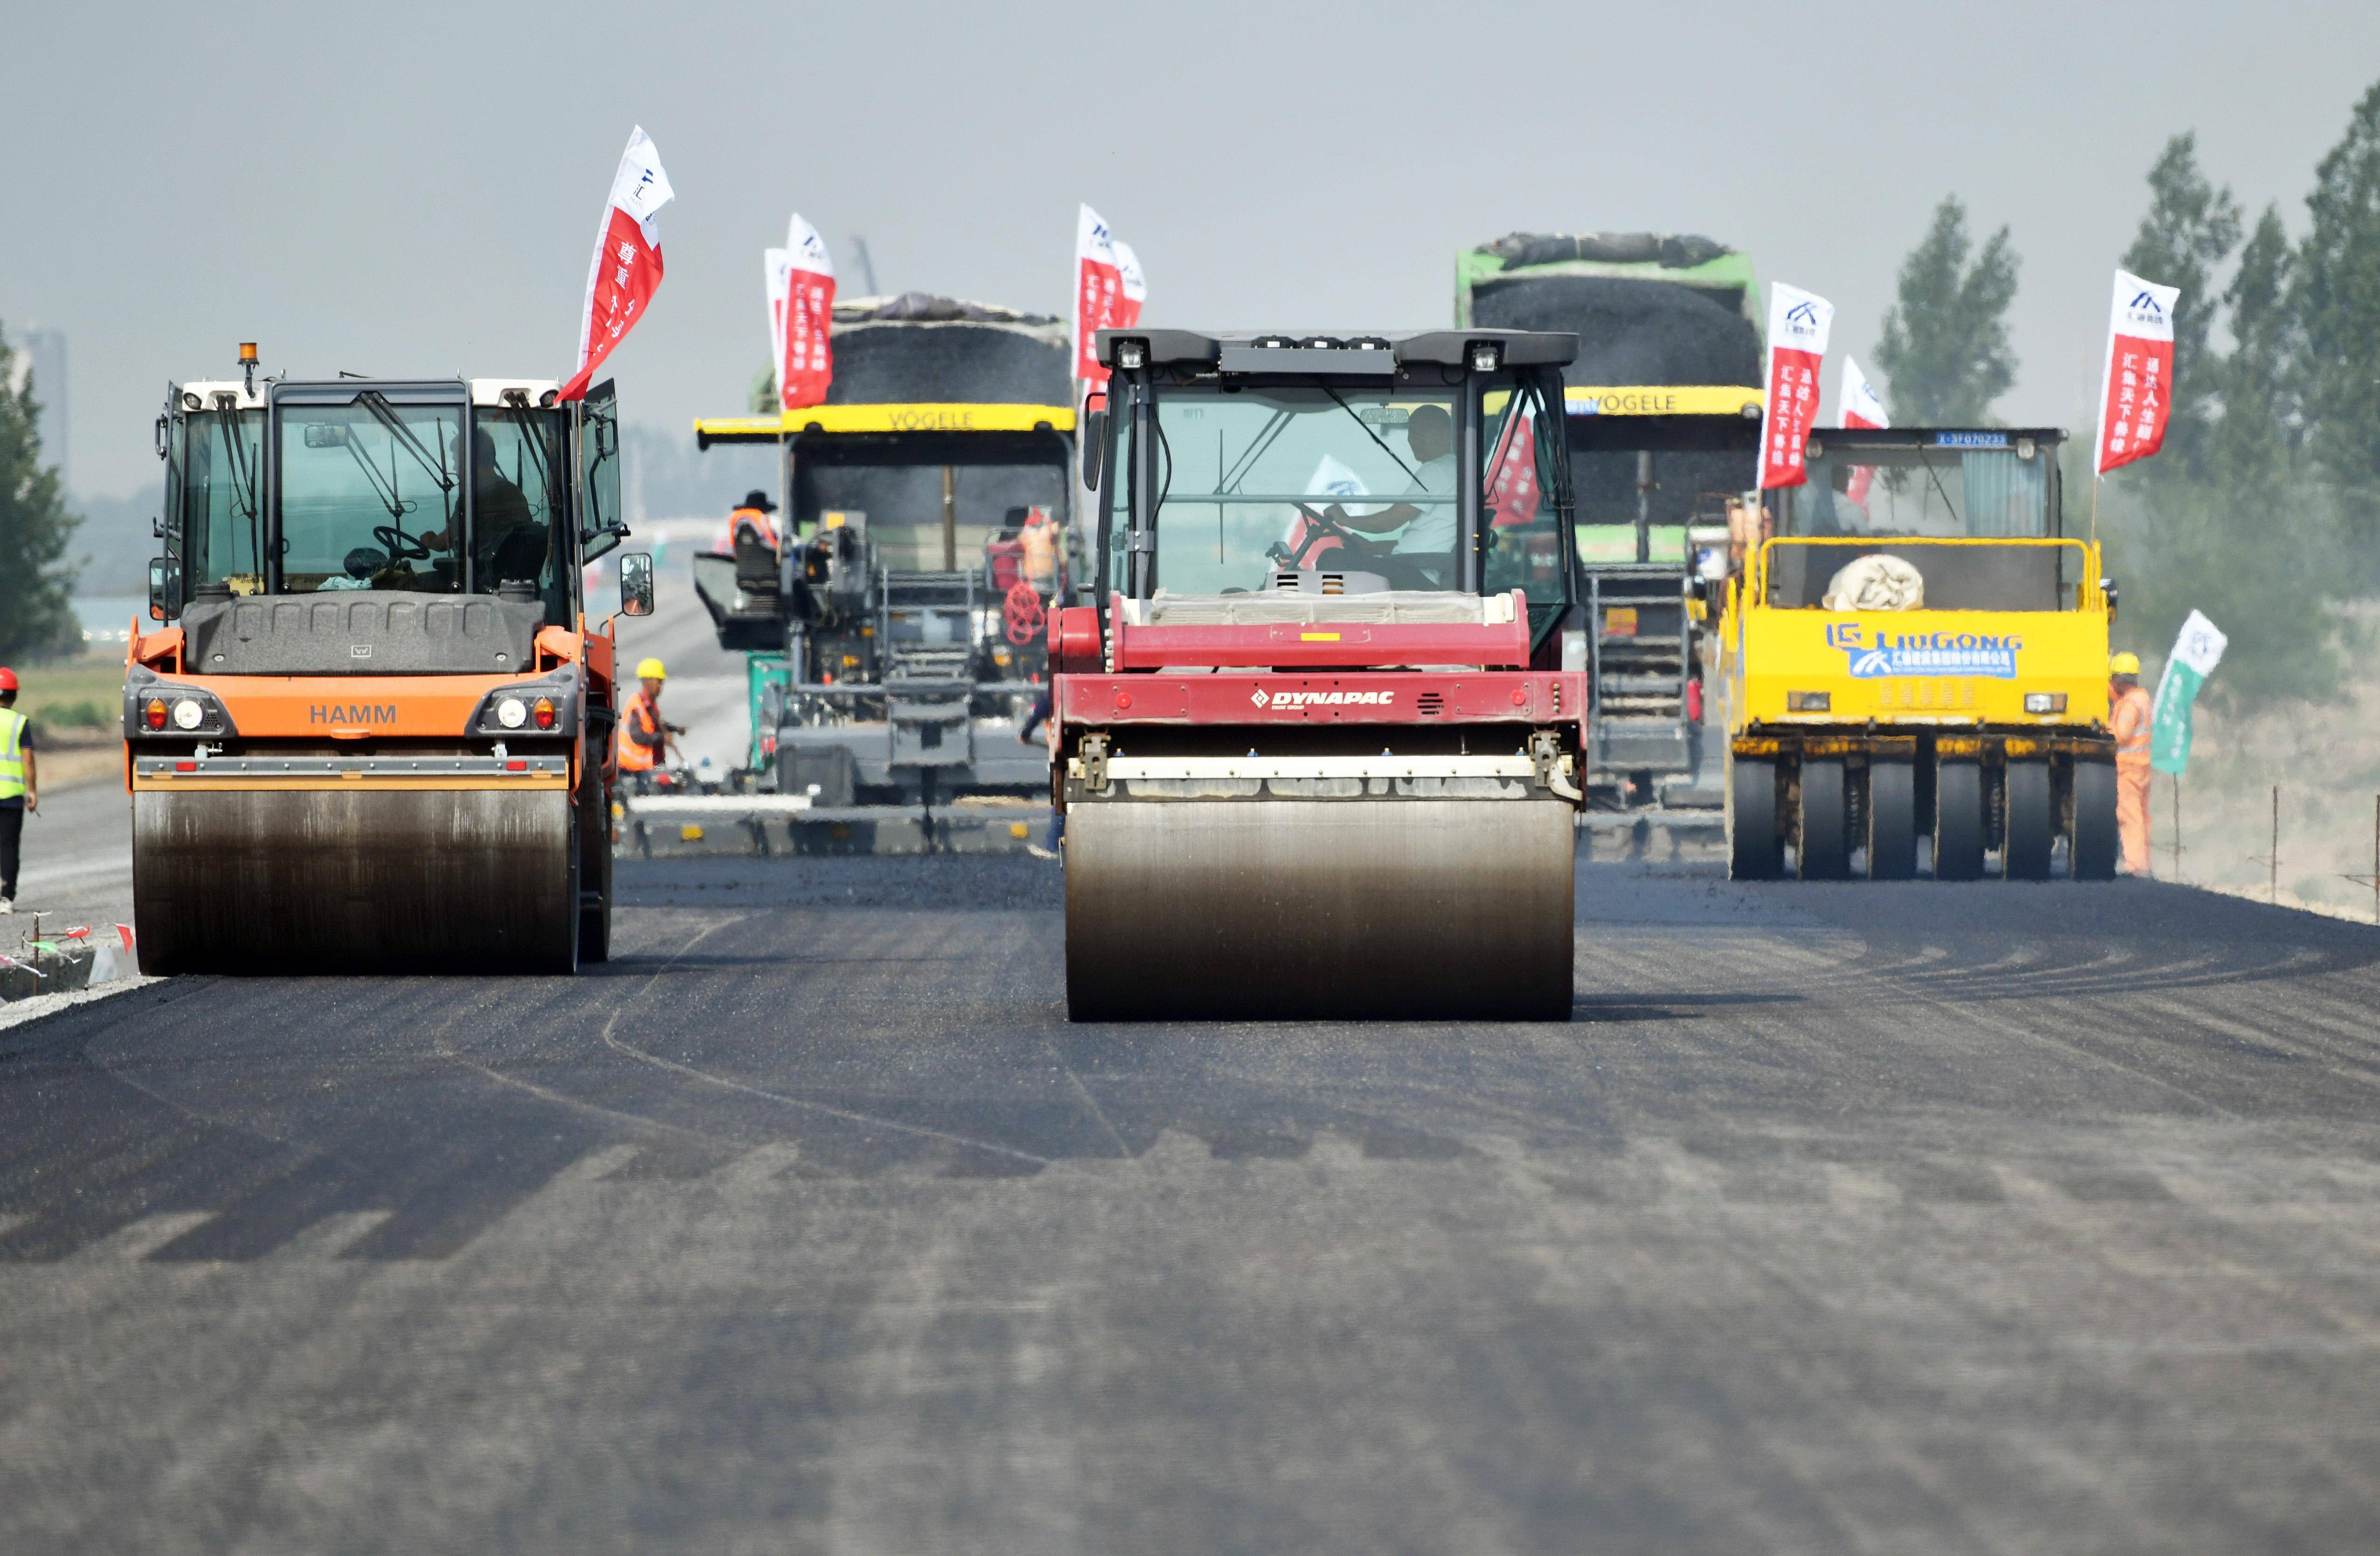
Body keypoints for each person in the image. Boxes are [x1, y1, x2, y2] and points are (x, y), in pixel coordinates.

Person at [1316, 403, 1456, 586]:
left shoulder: (1438, 470)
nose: (1415, 440)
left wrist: (1345, 520)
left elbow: (1390, 523)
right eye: (1412, 432)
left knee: (1332, 559)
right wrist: (1372, 548)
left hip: (1414, 574)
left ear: (1448, 434)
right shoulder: (1452, 470)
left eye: (1425, 432)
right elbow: (1424, 542)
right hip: (1417, 569)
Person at [2109, 651, 2153, 875]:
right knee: (2143, 816)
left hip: (2128, 768)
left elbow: (2122, 736)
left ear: (2118, 679)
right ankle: (2144, 862)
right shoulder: (2141, 697)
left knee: (2130, 816)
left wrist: (2104, 731)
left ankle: (2135, 865)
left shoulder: (2129, 705)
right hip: (2143, 767)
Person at [0, 668, 35, 913]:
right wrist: (32, 790)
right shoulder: (20, 722)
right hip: (12, 796)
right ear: (14, 696)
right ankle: (6, 898)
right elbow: (28, 759)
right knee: (9, 847)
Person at [615, 657, 683, 777]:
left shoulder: (649, 705)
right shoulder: (636, 705)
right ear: (648, 682)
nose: (661, 687)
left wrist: (675, 729)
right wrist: (663, 739)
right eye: (659, 682)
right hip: (633, 771)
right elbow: (638, 736)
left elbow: (653, 726)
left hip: (649, 769)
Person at [725, 489, 779, 554]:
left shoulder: (736, 519)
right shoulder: (762, 518)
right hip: (765, 558)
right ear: (764, 509)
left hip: (740, 558)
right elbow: (772, 544)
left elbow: (731, 544)